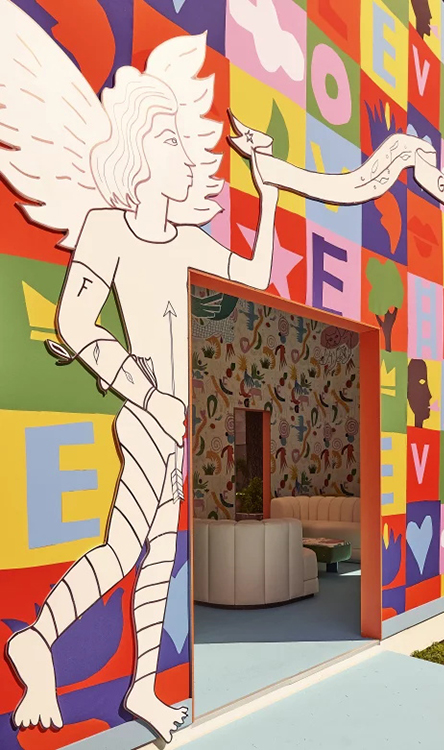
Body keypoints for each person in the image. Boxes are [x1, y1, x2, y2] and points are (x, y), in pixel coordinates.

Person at [6, 61, 278, 744]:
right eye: (170, 141)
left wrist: (267, 189)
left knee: (159, 556)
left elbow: (256, 276)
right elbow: (75, 322)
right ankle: (38, 638)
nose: (187, 157)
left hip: (176, 421)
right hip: (150, 414)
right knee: (126, 547)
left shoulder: (188, 241)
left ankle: (144, 687)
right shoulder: (108, 227)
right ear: (137, 150)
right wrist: (147, 392)